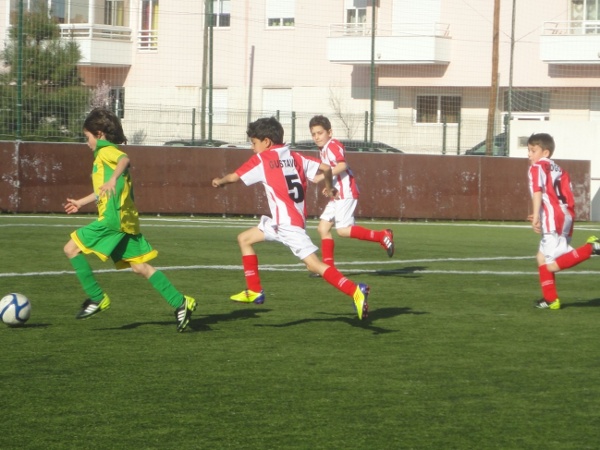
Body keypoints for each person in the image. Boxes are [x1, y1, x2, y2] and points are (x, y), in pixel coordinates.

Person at [211, 117, 370, 320]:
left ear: (266, 142)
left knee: (314, 265)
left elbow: (233, 177)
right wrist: (330, 187)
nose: (252, 148)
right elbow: (326, 168)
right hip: (283, 222)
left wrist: (220, 181)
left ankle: (356, 291)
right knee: (244, 239)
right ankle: (255, 291)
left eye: (254, 143)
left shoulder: (263, 159)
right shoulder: (296, 157)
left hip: (288, 226)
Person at [63, 108, 197, 332]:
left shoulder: (105, 151)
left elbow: (124, 159)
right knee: (139, 267)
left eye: (87, 137)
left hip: (113, 220)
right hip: (125, 220)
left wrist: (113, 178)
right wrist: (80, 202)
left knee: (70, 249)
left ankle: (97, 297)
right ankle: (181, 302)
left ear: (99, 134)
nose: (87, 143)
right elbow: (104, 189)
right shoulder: (104, 155)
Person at [307, 115, 394, 277]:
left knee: (342, 230)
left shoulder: (332, 145)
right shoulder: (324, 149)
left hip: (345, 192)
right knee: (323, 228)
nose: (317, 137)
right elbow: (334, 171)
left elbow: (342, 165)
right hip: (337, 193)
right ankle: (328, 269)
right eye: (314, 134)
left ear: (329, 132)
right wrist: (329, 186)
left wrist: (321, 177)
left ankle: (382, 236)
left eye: (320, 133)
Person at [527, 132, 600, 309]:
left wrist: (536, 215)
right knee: (541, 257)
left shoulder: (537, 167)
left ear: (545, 152)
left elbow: (537, 190)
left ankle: (592, 248)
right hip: (565, 215)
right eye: (528, 151)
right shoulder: (558, 169)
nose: (529, 155)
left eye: (533, 151)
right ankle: (551, 299)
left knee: (551, 265)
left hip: (554, 218)